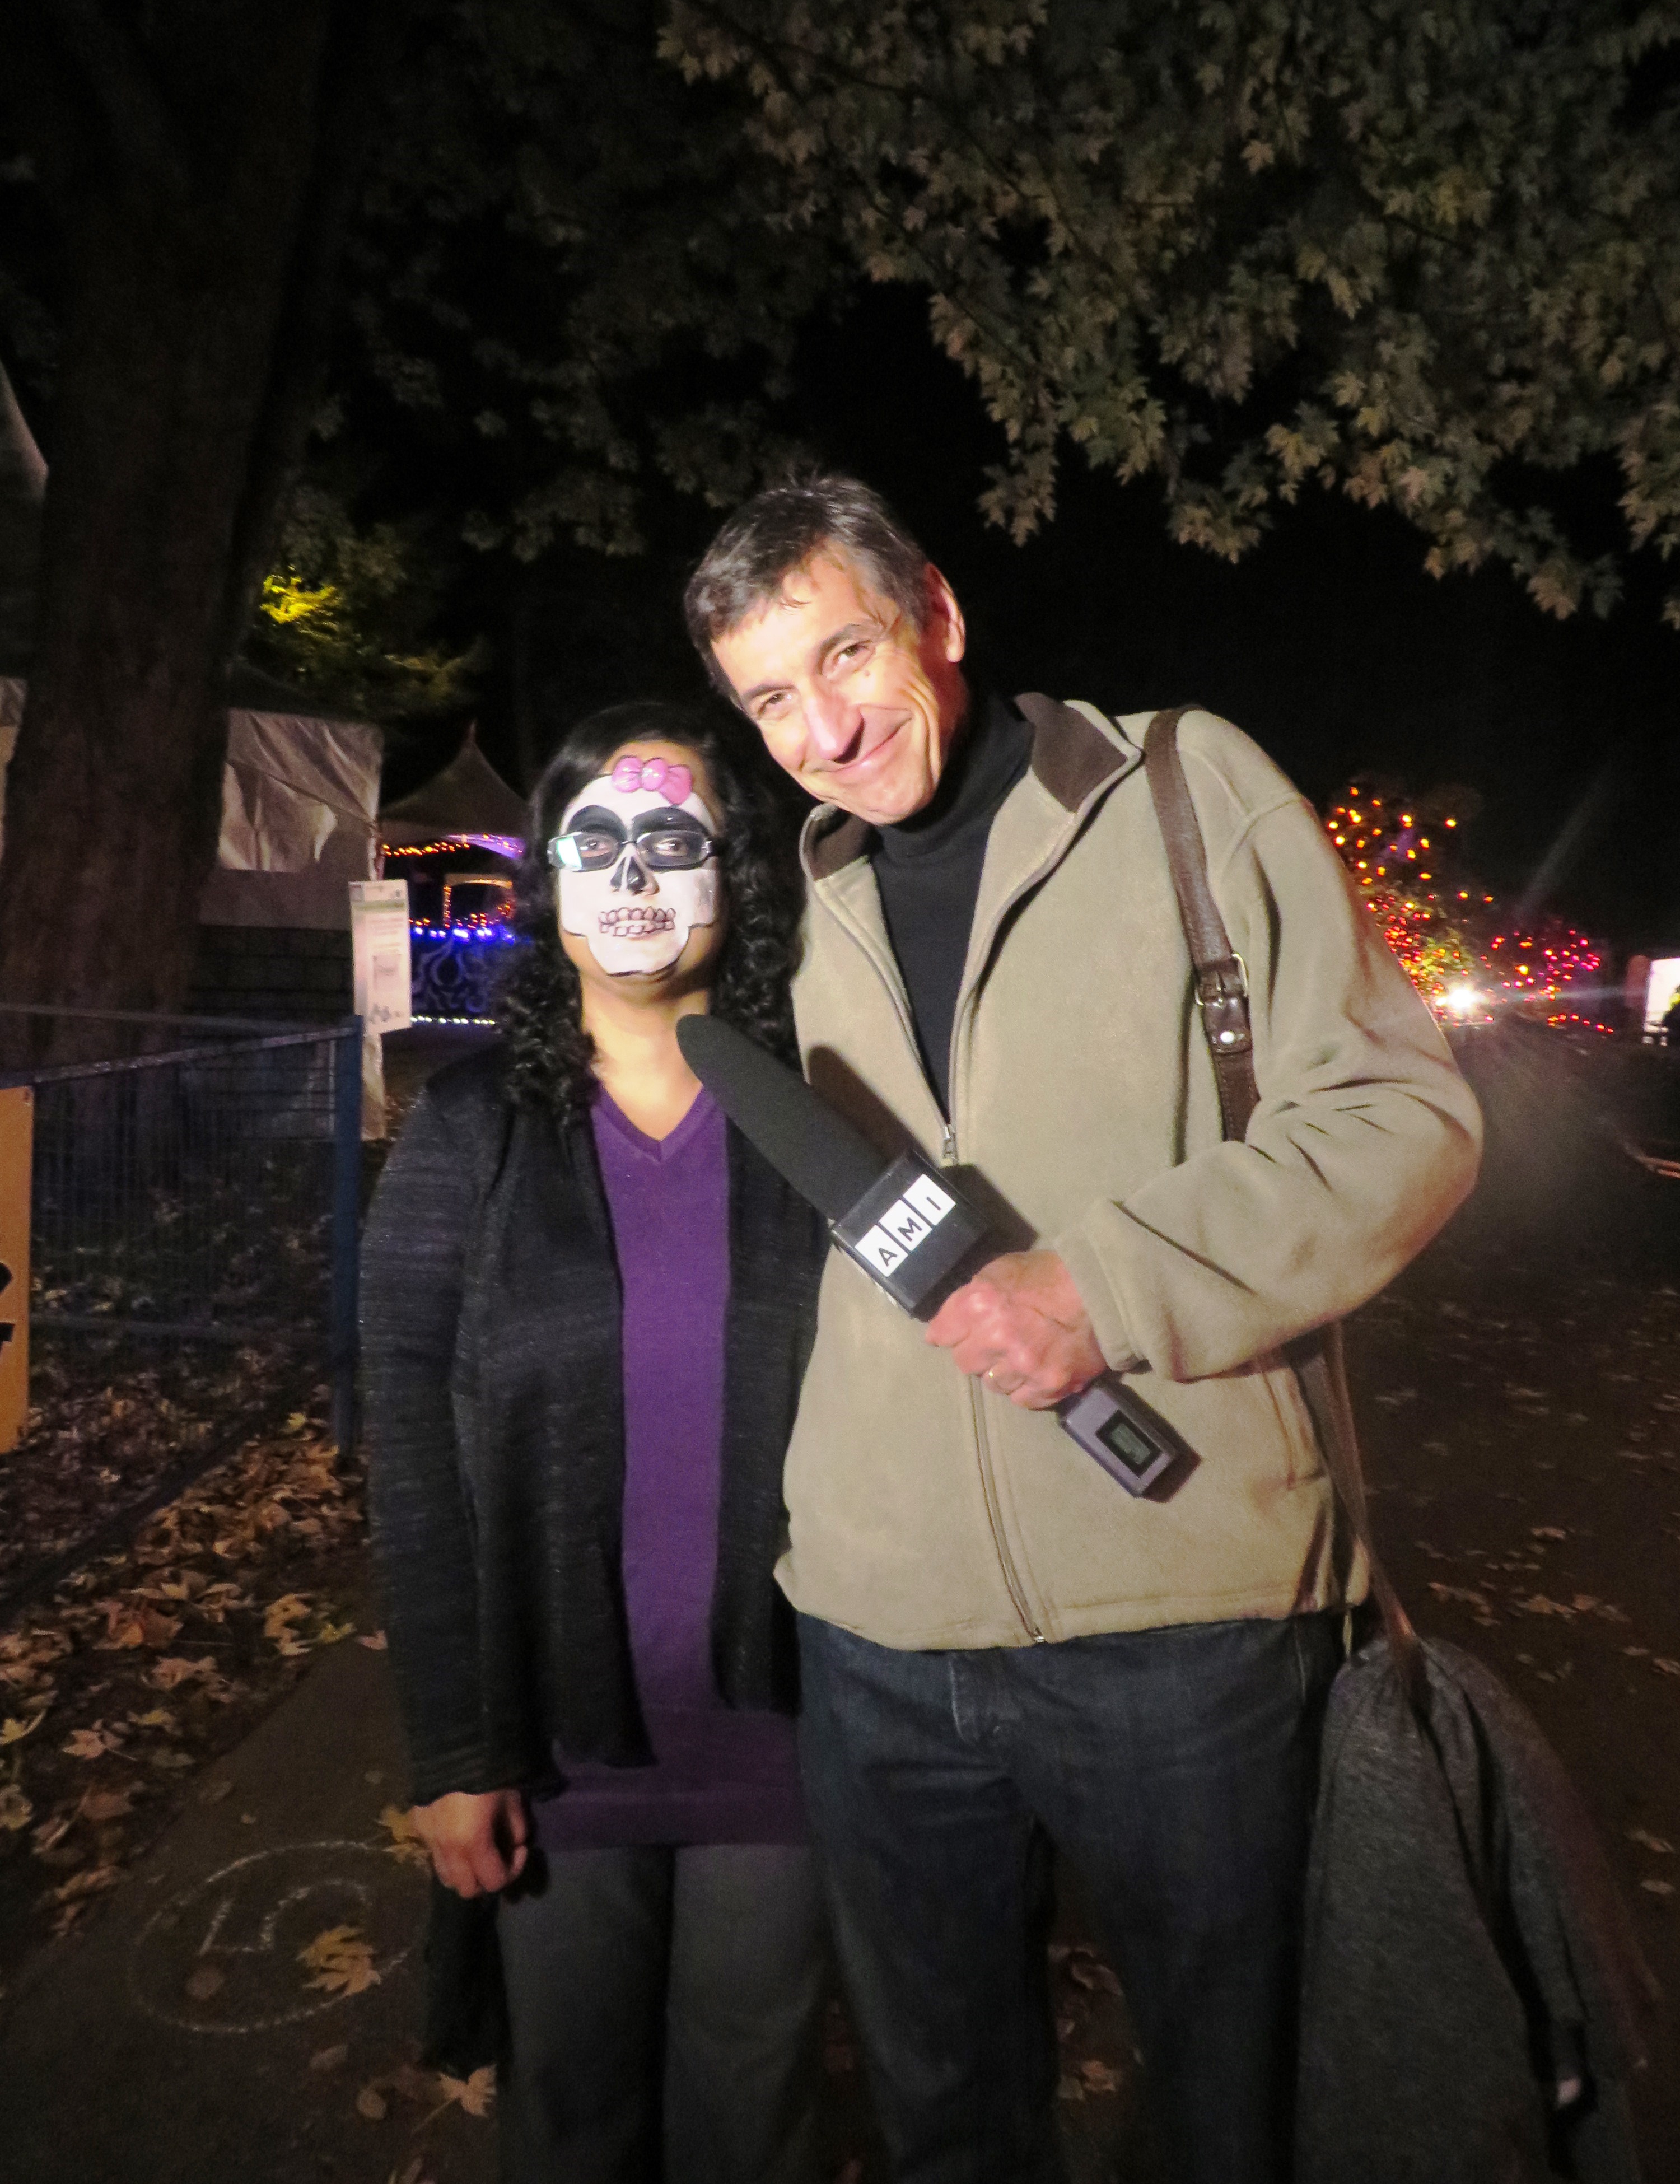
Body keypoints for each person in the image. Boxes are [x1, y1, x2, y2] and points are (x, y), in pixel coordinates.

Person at [683, 476, 1484, 2184]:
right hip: (880, 1637)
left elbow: (1408, 1120)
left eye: (845, 654)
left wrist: (1103, 1289)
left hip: (1183, 1618)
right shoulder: (794, 909)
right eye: (769, 699)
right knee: (945, 2117)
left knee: (1228, 2104)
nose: (821, 728)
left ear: (939, 618)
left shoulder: (1186, 787)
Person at [361, 699, 832, 2184]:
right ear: (553, 882)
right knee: (571, 2125)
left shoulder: (821, 1126)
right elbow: (412, 1455)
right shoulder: (468, 1132)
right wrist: (456, 1747)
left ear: (734, 878)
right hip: (560, 1751)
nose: (633, 873)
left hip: (788, 1741)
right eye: (596, 841)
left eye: (674, 838)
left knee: (749, 2119)